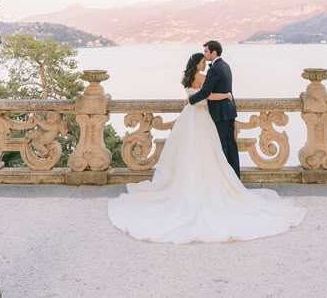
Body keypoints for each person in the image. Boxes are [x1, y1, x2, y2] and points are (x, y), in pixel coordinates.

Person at [107, 49, 307, 243]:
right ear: (197, 64)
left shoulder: (185, 78)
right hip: (202, 117)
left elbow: (191, 98)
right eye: (202, 61)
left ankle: (184, 183)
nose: (205, 63)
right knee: (208, 151)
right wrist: (226, 95)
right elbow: (207, 95)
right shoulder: (202, 77)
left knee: (186, 152)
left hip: (188, 117)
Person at [188, 40, 240, 177]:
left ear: (214, 52)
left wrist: (191, 100)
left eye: (206, 51)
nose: (204, 55)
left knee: (222, 146)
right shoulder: (226, 65)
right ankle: (234, 177)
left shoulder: (214, 69)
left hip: (220, 113)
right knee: (231, 145)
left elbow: (205, 93)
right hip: (229, 110)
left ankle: (225, 179)